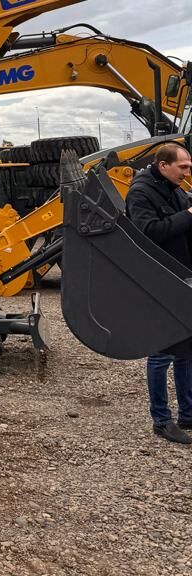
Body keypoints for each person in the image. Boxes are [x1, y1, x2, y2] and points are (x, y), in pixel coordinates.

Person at [125, 142, 192, 444]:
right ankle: (161, 420)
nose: (188, 172)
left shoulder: (175, 189)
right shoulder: (140, 193)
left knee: (186, 350)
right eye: (184, 167)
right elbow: (149, 232)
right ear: (163, 165)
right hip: (159, 281)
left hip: (181, 278)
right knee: (161, 351)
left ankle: (188, 414)